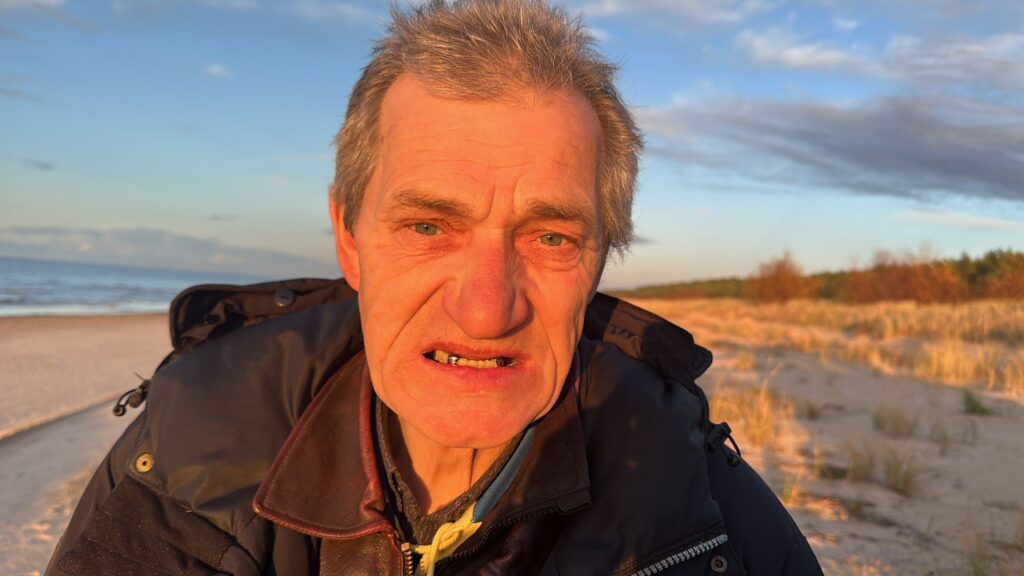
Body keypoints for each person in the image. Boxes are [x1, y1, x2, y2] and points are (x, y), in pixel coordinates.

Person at [46, 1, 822, 574]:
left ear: (597, 262)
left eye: (550, 237)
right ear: (349, 237)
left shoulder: (705, 519)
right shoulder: (186, 452)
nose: (485, 310)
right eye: (427, 226)